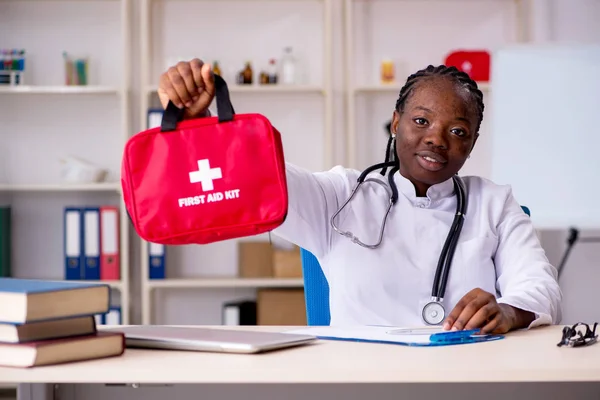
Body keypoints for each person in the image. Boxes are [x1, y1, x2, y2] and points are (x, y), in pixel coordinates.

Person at [157, 59, 562, 334]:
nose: (436, 139)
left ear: (472, 143)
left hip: (467, 378)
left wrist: (509, 311)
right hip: (361, 380)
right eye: (421, 120)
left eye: (457, 131)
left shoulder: (494, 203)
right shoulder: (340, 195)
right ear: (396, 123)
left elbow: (540, 287)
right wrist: (199, 125)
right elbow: (256, 177)